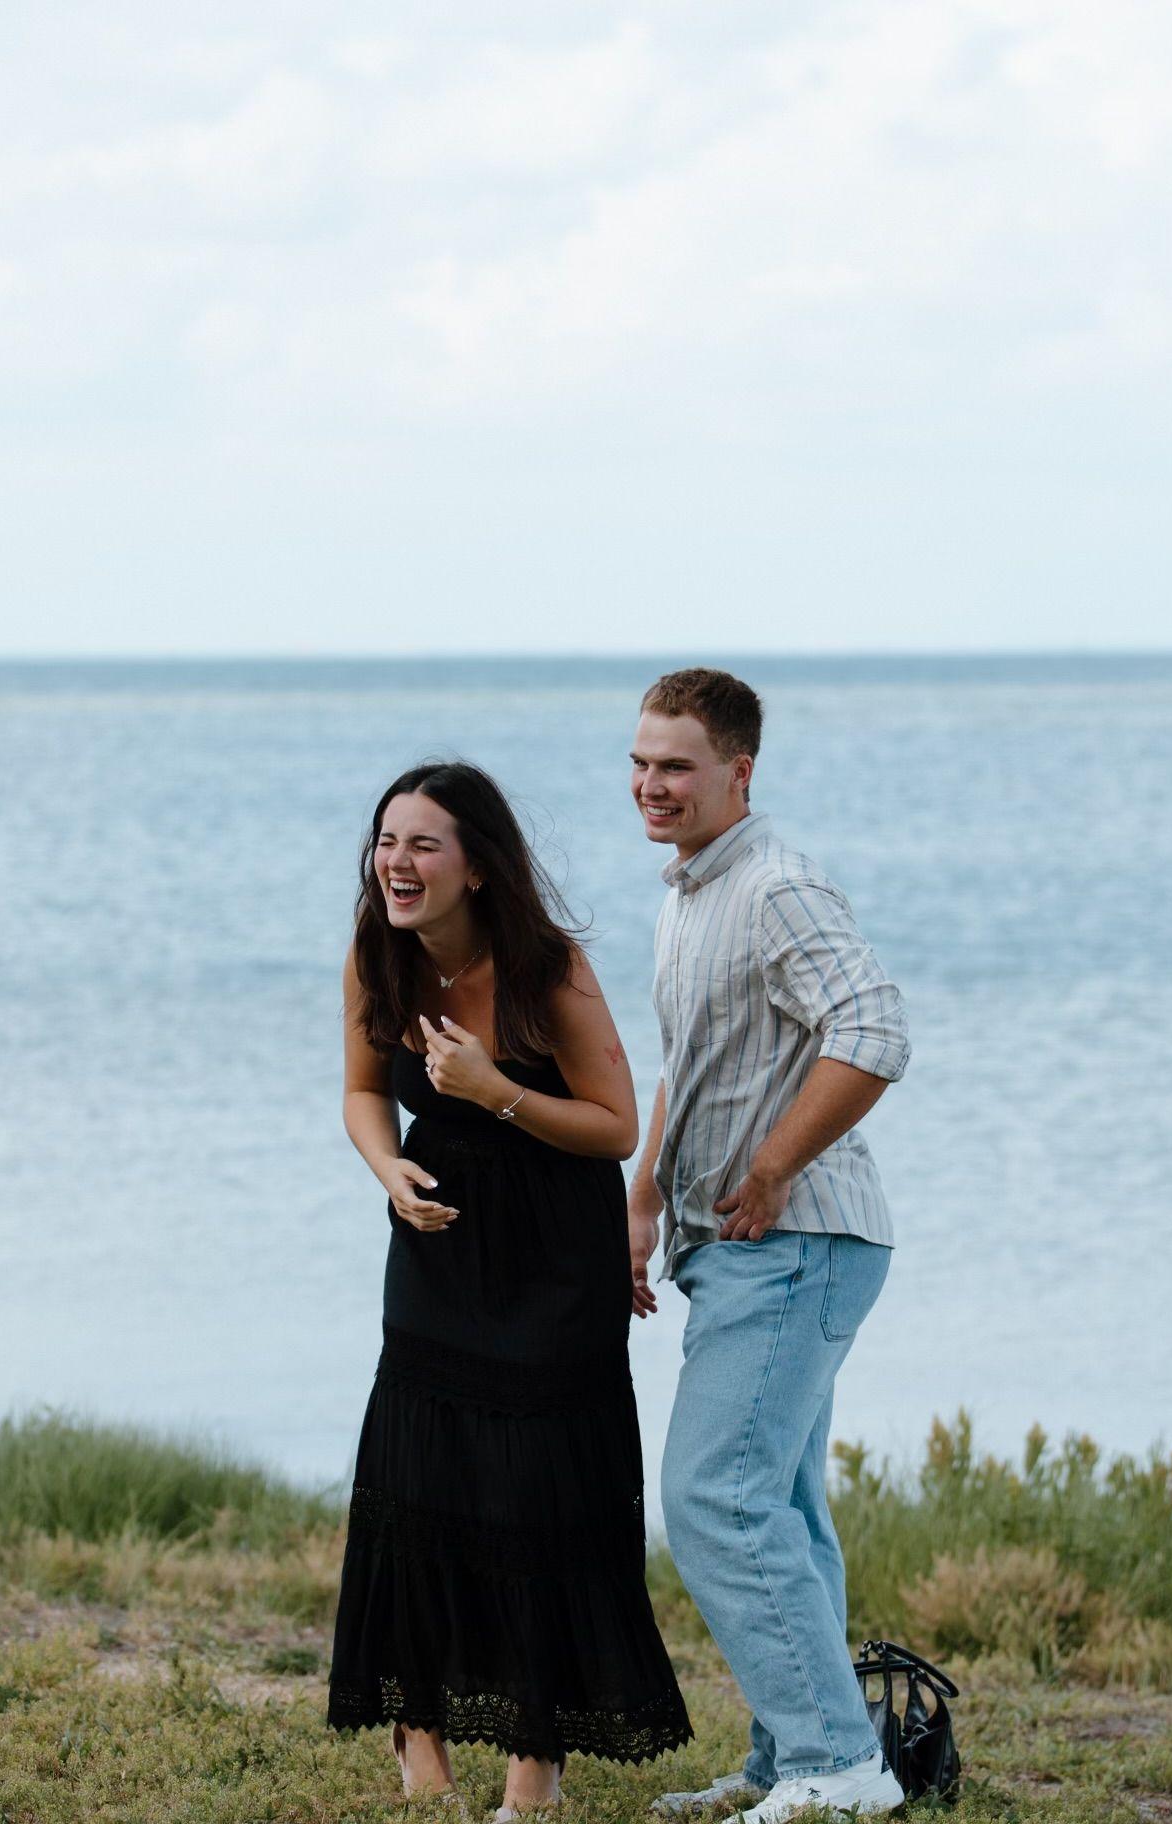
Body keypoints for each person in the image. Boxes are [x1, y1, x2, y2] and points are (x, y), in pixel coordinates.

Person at [326, 760, 692, 1820]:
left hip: (556, 1259)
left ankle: (538, 1759)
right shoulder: (376, 955)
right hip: (437, 1248)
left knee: (540, 1499)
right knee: (419, 1487)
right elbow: (362, 1090)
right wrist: (388, 1168)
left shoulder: (548, 967)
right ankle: (419, 1740)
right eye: (387, 841)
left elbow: (616, 1127)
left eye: (423, 844)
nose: (397, 862)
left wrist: (495, 1093)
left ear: (477, 867)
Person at [628, 671, 911, 1824]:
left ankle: (841, 1770)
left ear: (739, 771)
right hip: (745, 1246)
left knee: (714, 1497)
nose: (651, 785)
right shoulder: (690, 894)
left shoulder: (776, 887)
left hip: (798, 1240)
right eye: (640, 763)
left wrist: (777, 1161)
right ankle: (792, 1763)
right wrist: (645, 1197)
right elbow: (692, 1064)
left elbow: (876, 1029)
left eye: (676, 766)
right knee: (778, 1508)